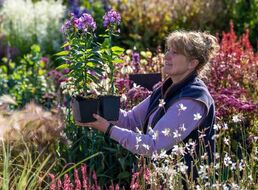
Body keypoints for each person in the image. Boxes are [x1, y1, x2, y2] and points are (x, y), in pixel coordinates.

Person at [75, 30, 220, 179]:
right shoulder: (167, 88)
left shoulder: (192, 99)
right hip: (163, 179)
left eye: (175, 53)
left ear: (192, 63)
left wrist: (108, 129)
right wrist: (96, 110)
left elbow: (154, 146)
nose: (167, 56)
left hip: (186, 181)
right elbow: (130, 120)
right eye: (168, 50)